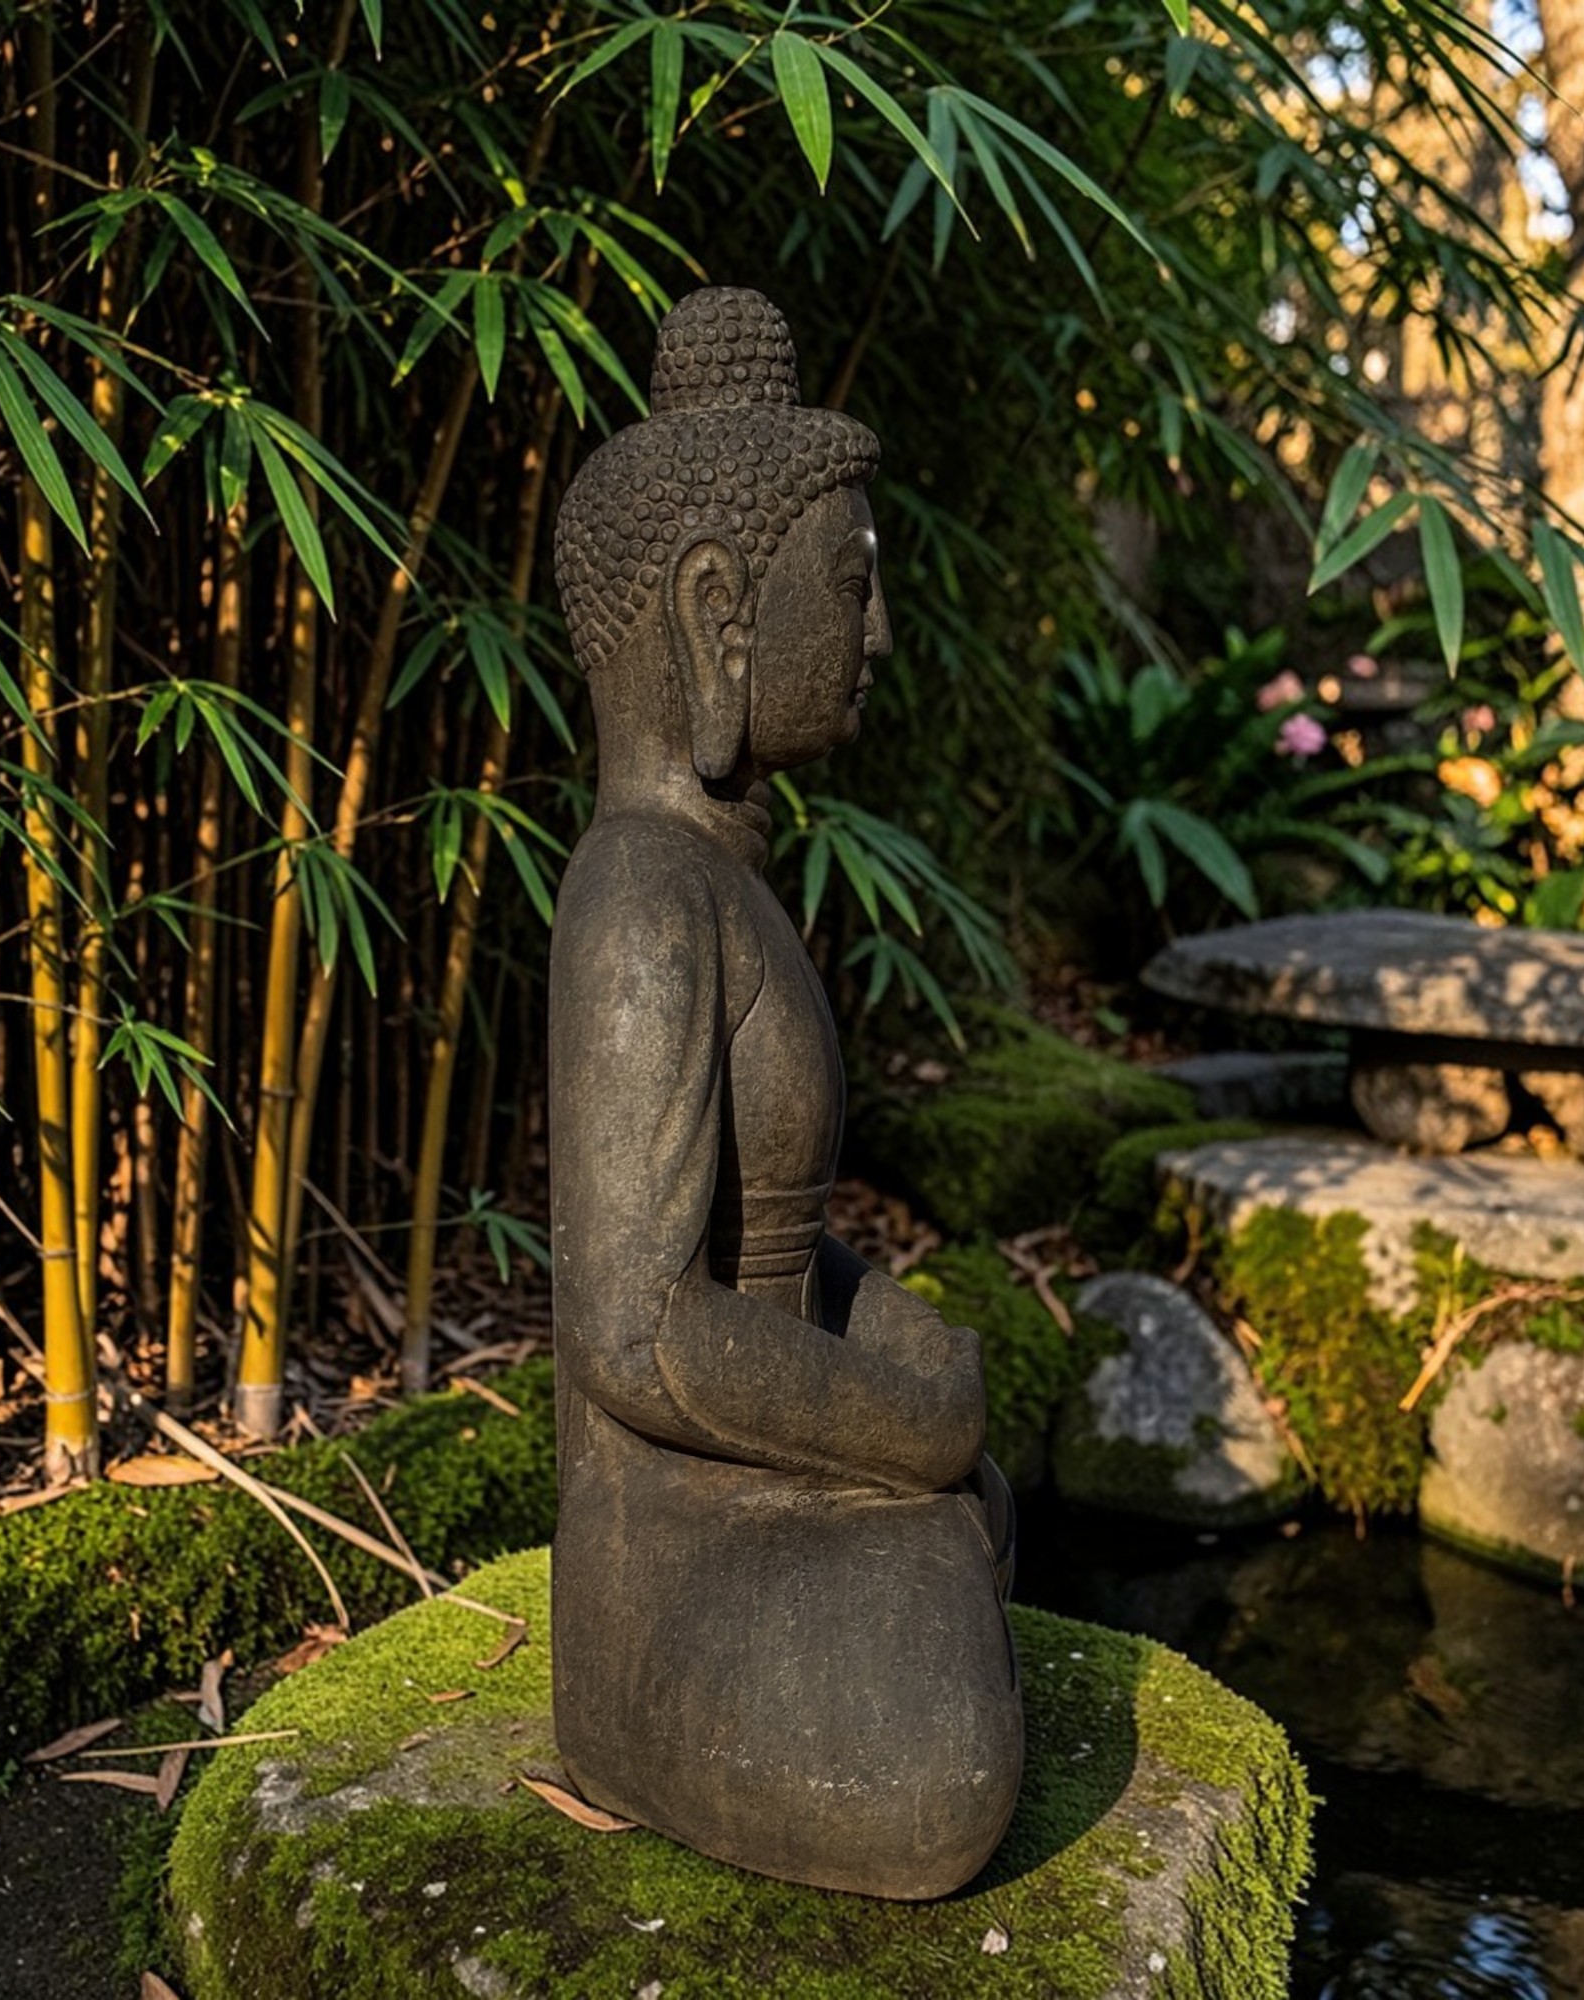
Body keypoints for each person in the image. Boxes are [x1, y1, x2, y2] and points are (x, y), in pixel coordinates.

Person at [547, 287, 1023, 1901]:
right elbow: (635, 1329)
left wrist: (891, 1335)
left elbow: (762, 1239)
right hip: (667, 1522)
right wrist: (910, 1425)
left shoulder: (726, 884)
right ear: (715, 613)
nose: (879, 637)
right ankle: (627, 1717)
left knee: (969, 1523)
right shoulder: (641, 895)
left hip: (751, 1464)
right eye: (853, 586)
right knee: (932, 1742)